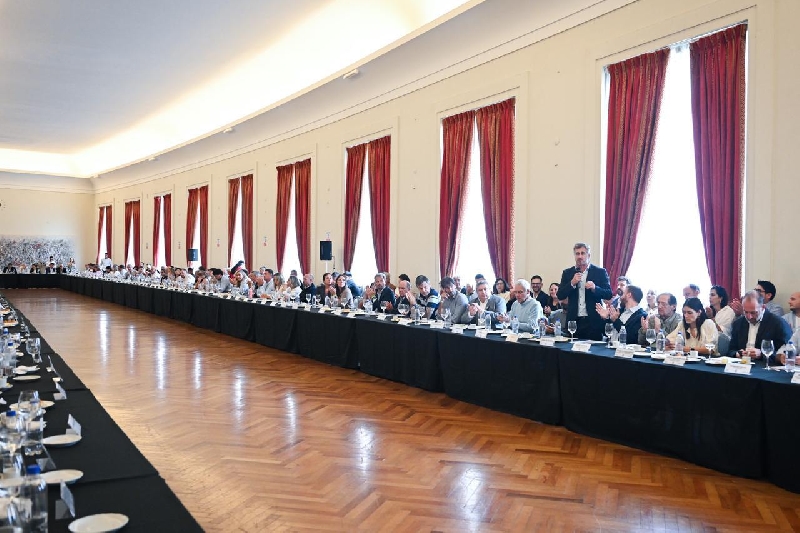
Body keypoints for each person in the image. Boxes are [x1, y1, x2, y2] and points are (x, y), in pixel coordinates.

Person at [557, 242, 613, 340]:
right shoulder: (567, 273)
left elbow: (608, 294)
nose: (580, 256)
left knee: (594, 349)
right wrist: (571, 283)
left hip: (593, 321)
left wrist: (595, 288)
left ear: (588, 255)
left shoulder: (600, 272)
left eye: (583, 253)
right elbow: (560, 295)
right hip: (574, 321)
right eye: (577, 254)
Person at [727, 290, 793, 364]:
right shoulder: (738, 323)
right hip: (742, 364)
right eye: (746, 312)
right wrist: (737, 353)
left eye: (753, 312)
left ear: (763, 307)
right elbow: (731, 350)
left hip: (766, 366)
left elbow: (787, 354)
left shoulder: (778, 323)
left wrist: (762, 354)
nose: (749, 317)